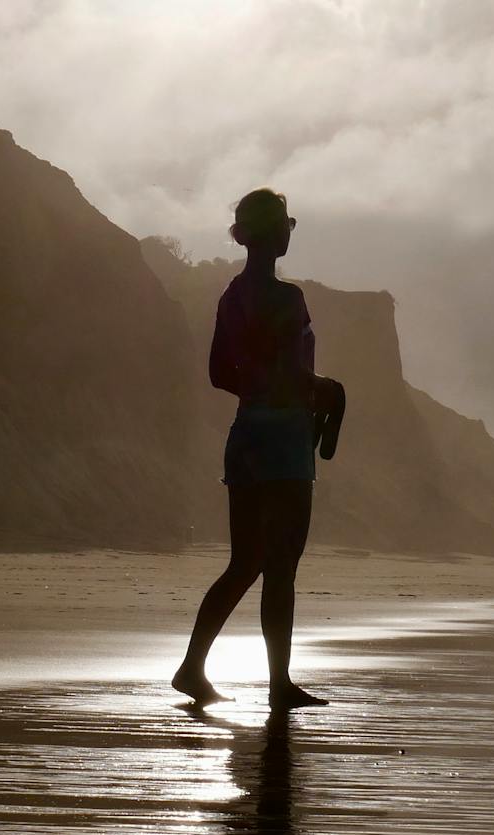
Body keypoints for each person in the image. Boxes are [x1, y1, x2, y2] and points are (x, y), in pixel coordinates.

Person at [173, 188, 343, 710]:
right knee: (281, 567)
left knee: (244, 562)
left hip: (246, 437)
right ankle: (278, 685)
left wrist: (264, 385)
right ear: (275, 232)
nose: (292, 230)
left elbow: (219, 373)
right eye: (289, 223)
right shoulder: (286, 298)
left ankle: (192, 669)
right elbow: (292, 372)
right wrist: (327, 390)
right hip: (286, 441)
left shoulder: (232, 295)